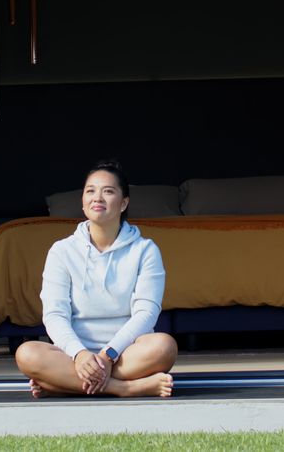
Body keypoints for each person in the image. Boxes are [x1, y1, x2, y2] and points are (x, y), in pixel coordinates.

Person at [14, 160, 178, 398]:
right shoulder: (62, 251)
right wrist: (80, 354)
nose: (97, 198)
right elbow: (55, 314)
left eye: (108, 191)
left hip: (126, 354)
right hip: (72, 355)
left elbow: (147, 313)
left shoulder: (145, 250)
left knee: (164, 347)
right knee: (27, 354)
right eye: (90, 191)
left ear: (123, 203)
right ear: (82, 202)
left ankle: (60, 384)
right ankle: (125, 388)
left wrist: (109, 354)